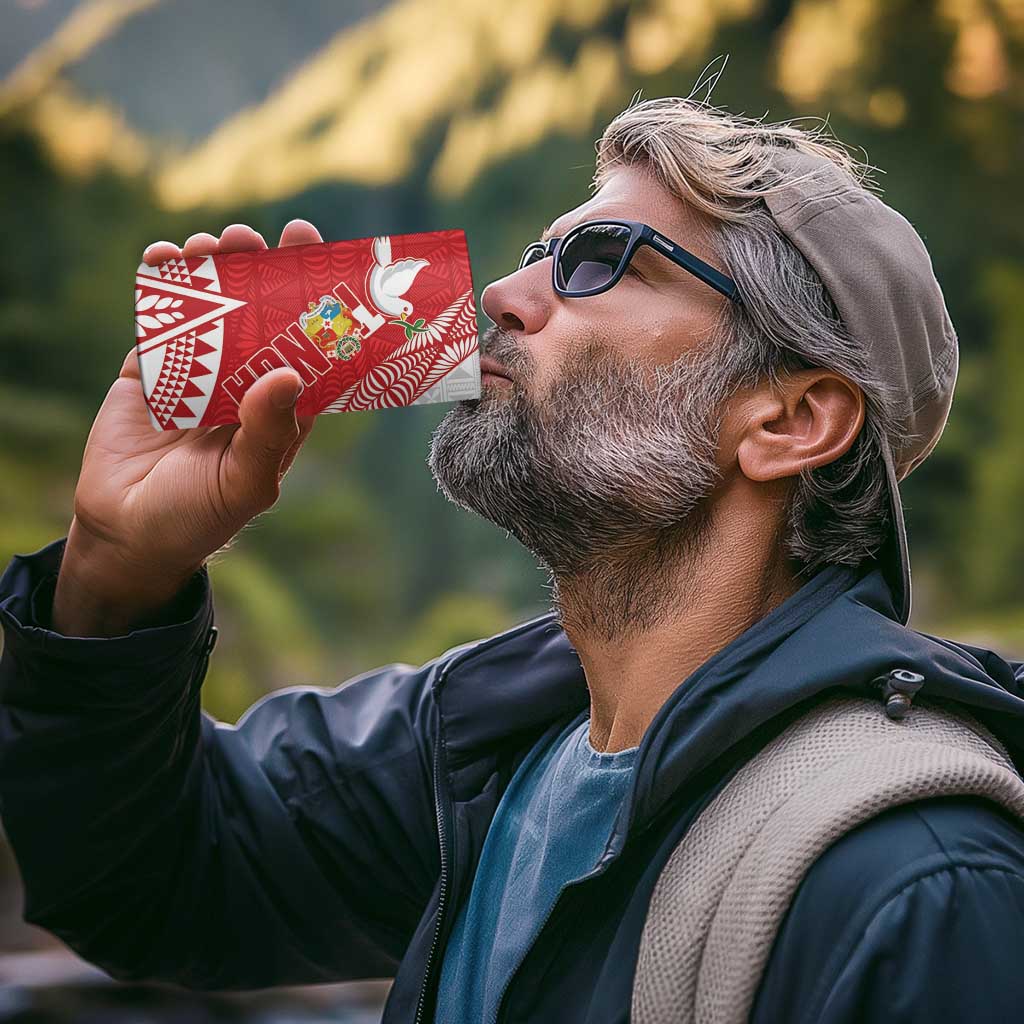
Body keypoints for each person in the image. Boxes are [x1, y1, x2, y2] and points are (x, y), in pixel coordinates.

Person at [2, 95, 1024, 1024]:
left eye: (600, 261)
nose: (503, 291)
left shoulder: (918, 883)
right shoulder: (479, 749)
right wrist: (115, 571)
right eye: (541, 251)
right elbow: (149, 880)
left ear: (790, 419)